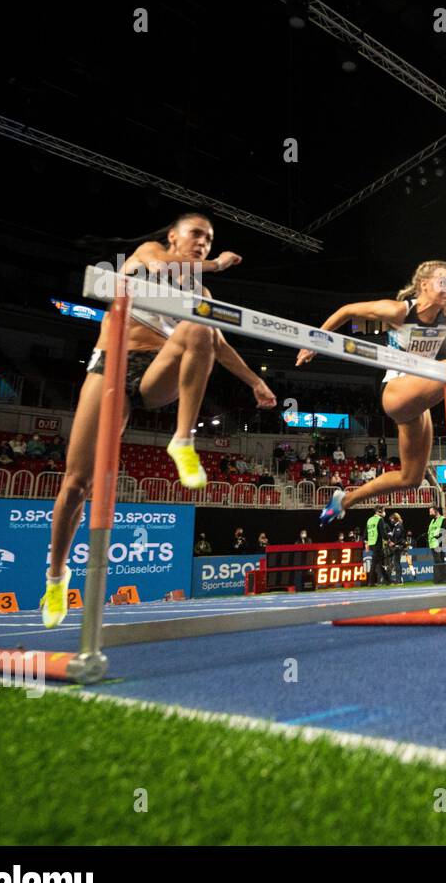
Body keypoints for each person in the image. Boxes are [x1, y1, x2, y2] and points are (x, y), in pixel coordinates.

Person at [39, 212, 276, 628]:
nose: (203, 242)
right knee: (77, 484)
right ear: (173, 236)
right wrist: (218, 262)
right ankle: (56, 577)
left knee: (201, 330)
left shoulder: (199, 290)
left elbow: (217, 341)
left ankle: (182, 440)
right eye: (197, 234)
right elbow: (165, 267)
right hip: (111, 364)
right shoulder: (152, 254)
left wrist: (255, 381)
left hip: (155, 372)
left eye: (210, 238)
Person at [299, 260, 446, 526]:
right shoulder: (399, 311)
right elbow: (347, 310)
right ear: (423, 285)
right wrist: (315, 340)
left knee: (411, 478)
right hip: (396, 392)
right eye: (443, 282)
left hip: (418, 398)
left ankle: (342, 501)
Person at [364, 509, 387, 585]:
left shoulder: (369, 520)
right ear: (379, 511)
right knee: (374, 563)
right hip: (378, 543)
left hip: (371, 543)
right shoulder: (379, 519)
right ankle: (370, 582)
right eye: (383, 511)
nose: (384, 512)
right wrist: (388, 540)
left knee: (380, 562)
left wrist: (366, 543)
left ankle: (387, 580)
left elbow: (366, 533)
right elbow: (382, 532)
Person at [385, 512, 407, 584]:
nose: (391, 521)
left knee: (397, 563)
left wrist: (394, 543)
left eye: (391, 519)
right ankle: (398, 580)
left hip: (398, 547)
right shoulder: (395, 527)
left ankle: (399, 580)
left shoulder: (399, 526)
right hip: (396, 546)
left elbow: (398, 537)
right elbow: (395, 536)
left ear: (395, 519)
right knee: (396, 562)